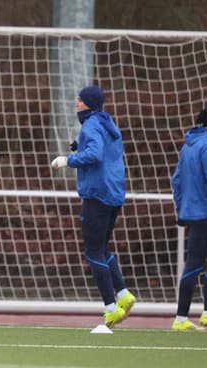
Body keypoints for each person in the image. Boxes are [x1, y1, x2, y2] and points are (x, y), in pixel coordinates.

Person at [51, 85, 136, 328]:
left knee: (93, 252)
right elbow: (105, 153)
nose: (76, 102)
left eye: (80, 99)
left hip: (97, 194)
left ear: (88, 103)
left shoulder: (90, 125)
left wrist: (68, 160)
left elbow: (96, 153)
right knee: (102, 248)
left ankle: (111, 309)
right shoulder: (108, 123)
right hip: (113, 193)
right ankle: (123, 294)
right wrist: (81, 148)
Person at [169, 107, 207, 331]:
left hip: (192, 211)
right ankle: (181, 317)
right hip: (206, 211)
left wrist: (181, 207)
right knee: (194, 264)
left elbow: (177, 180)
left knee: (195, 263)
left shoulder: (188, 147)